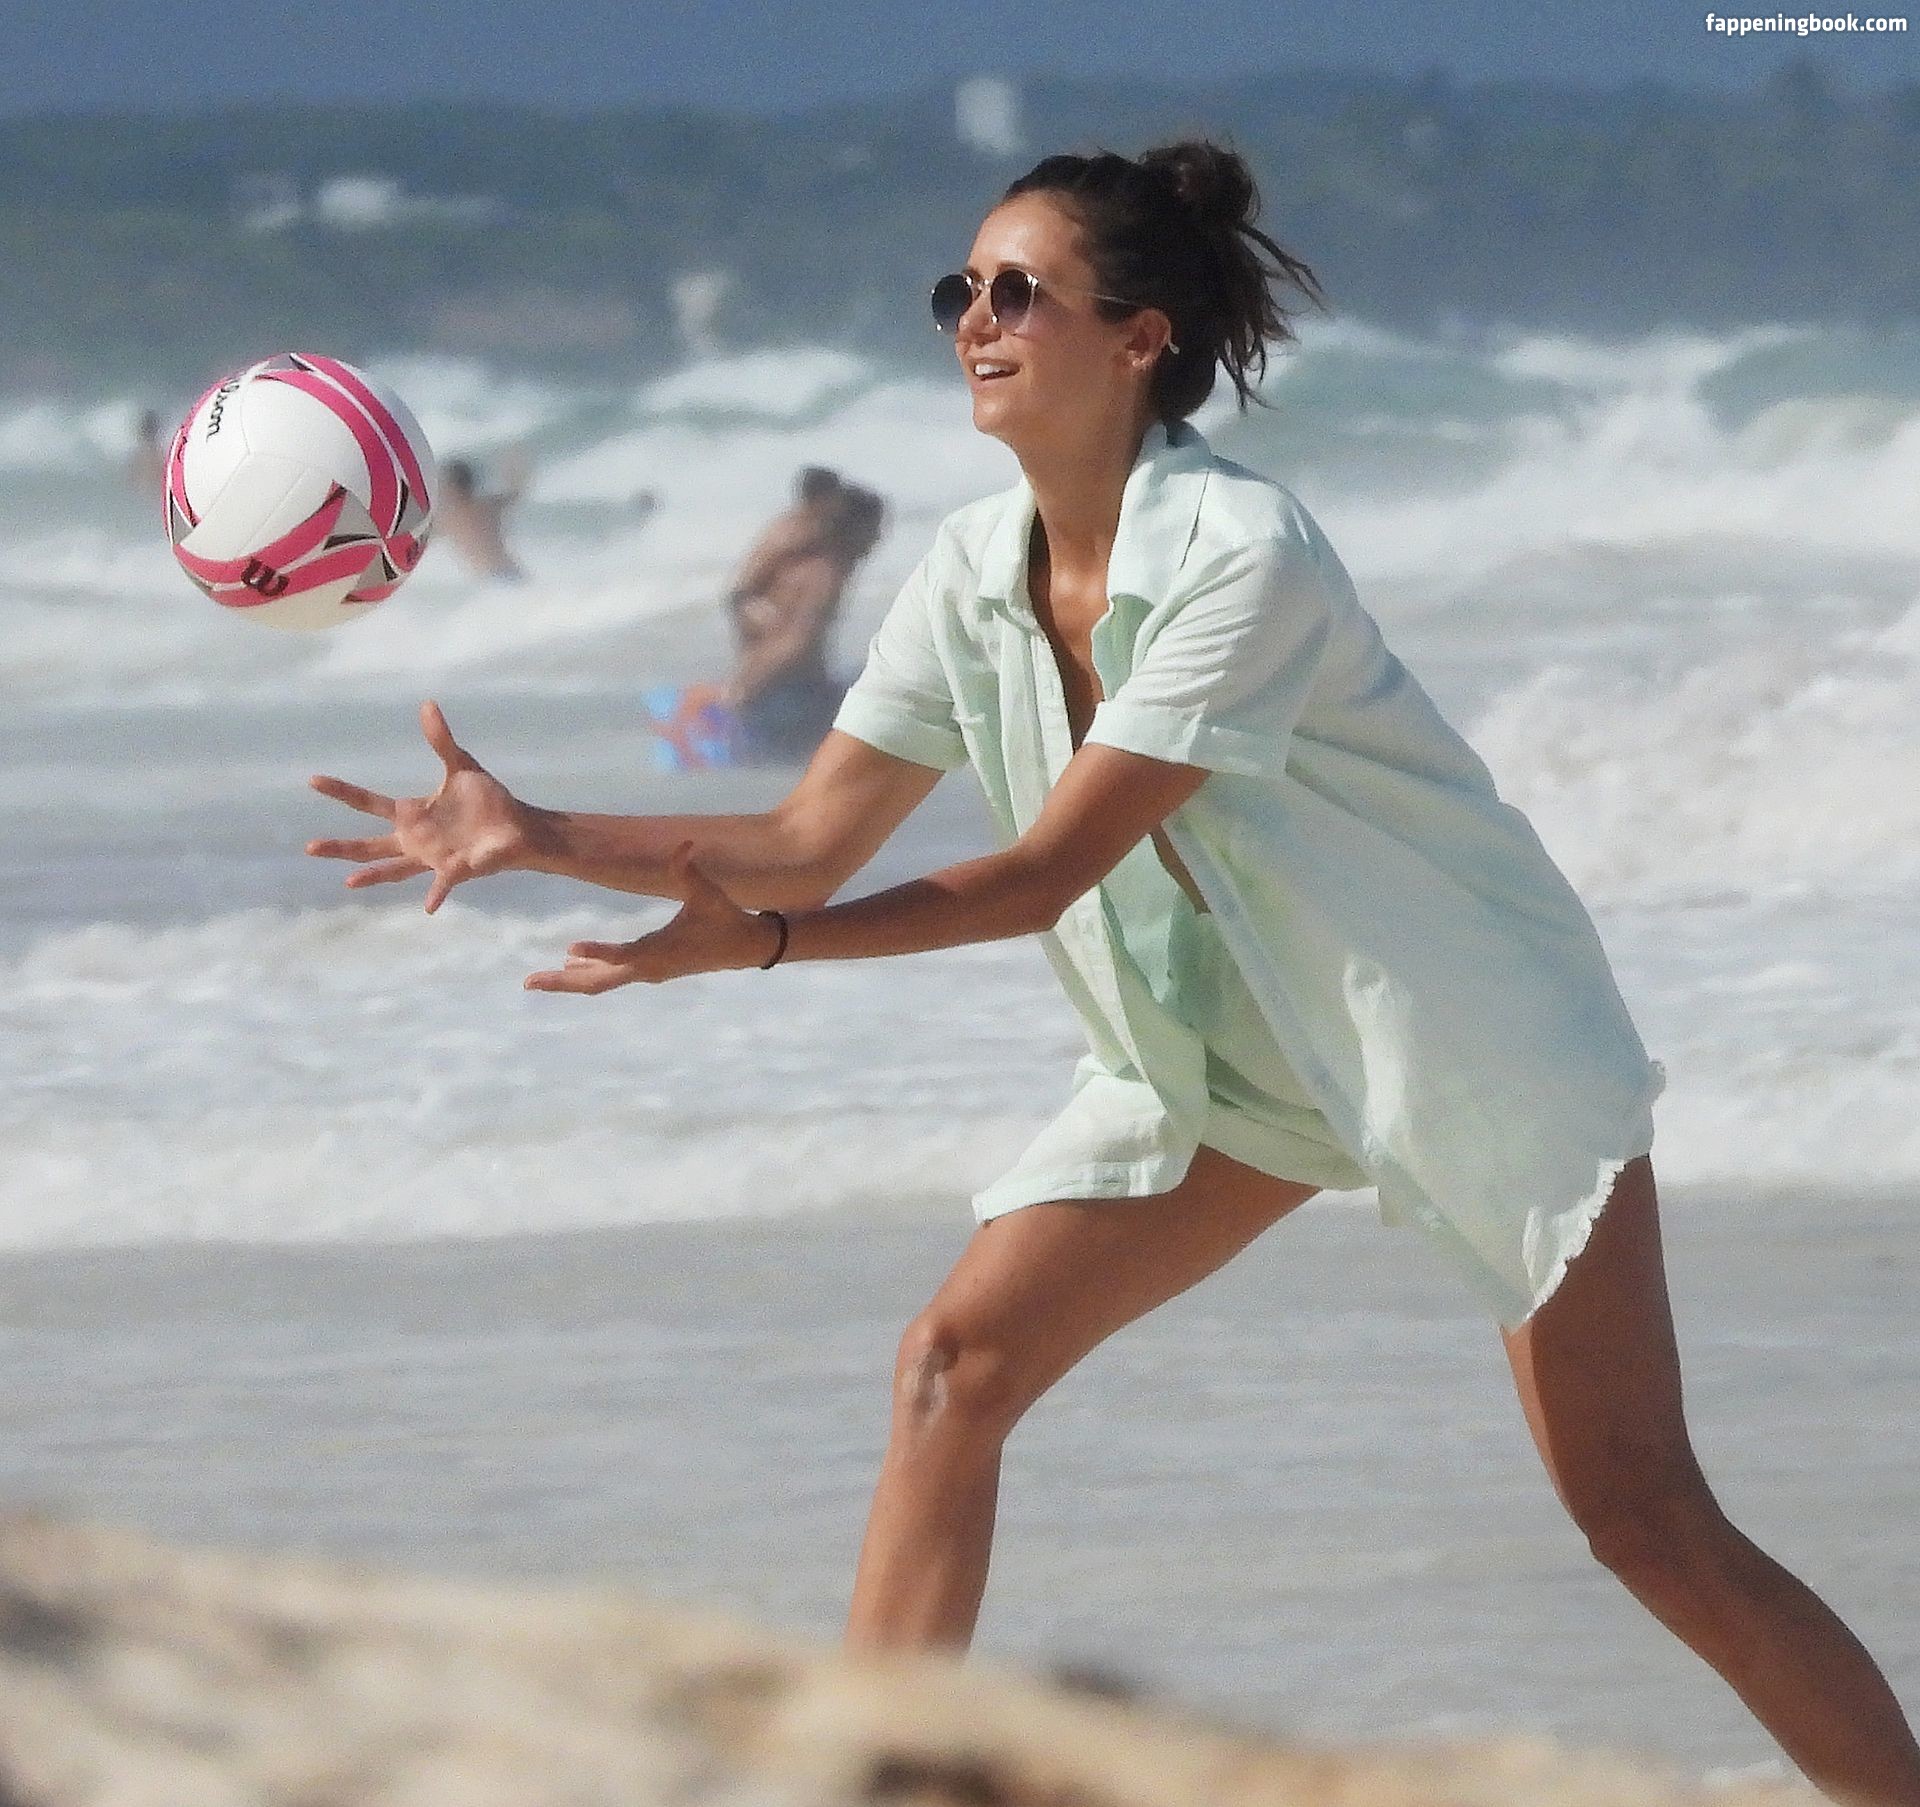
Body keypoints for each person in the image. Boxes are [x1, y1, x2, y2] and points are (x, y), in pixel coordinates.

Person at [303, 140, 1920, 1806]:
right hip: (1216, 1050)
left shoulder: (1241, 554)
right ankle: (870, 1776)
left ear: (1141, 336)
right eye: (961, 290)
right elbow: (803, 836)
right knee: (955, 1364)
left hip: (1455, 1030)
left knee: (1642, 1512)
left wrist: (767, 944)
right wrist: (537, 829)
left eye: (1018, 292)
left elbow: (1038, 871)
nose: (974, 321)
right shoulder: (970, 570)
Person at [722, 469, 882, 762]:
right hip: (786, 701)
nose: (878, 539)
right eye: (875, 529)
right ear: (857, 529)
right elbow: (795, 643)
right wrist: (741, 693)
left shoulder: (800, 562)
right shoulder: (824, 575)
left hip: (778, 690)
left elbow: (747, 608)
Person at [437, 453, 528, 582]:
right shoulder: (489, 505)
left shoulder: (450, 518)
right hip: (506, 574)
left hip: (496, 577)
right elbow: (515, 493)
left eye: (445, 485)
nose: (442, 490)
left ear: (454, 487)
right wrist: (515, 464)